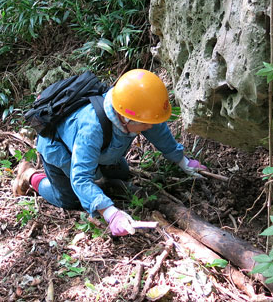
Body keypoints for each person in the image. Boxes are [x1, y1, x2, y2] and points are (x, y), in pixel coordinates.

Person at [12, 69, 207, 236]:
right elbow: (80, 178)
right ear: (125, 118)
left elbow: (159, 132)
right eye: (145, 124)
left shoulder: (138, 112)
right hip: (59, 149)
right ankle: (31, 177)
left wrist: (184, 162)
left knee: (121, 172)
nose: (149, 127)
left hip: (96, 152)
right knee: (70, 199)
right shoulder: (92, 128)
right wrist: (111, 213)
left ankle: (100, 183)